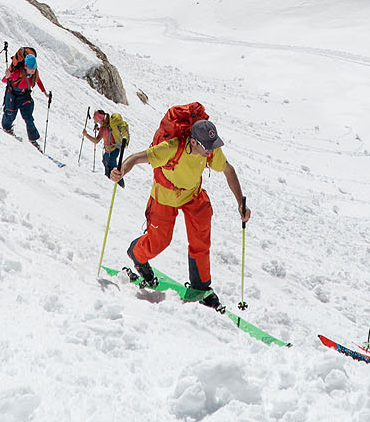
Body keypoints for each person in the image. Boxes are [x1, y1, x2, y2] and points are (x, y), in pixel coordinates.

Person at [112, 114, 249, 308]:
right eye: (207, 146)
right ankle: (137, 254)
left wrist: (240, 203)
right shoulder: (171, 148)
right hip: (165, 196)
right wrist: (121, 171)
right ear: (193, 141)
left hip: (192, 194)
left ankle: (201, 287)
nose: (210, 150)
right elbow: (136, 158)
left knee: (201, 231)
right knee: (159, 242)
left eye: (212, 145)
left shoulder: (209, 150)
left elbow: (228, 170)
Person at [1, 47, 47, 147]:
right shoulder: (18, 73)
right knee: (10, 114)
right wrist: (7, 76)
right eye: (31, 69)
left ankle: (33, 138)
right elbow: (4, 80)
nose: (33, 70)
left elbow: (38, 81)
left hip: (24, 96)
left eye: (34, 68)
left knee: (28, 118)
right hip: (13, 94)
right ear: (25, 66)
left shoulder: (35, 73)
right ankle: (6, 128)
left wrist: (45, 92)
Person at [83, 109, 127, 183]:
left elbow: (96, 140)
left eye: (94, 117)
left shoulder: (103, 128)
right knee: (107, 164)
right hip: (114, 149)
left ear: (98, 118)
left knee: (112, 170)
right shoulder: (107, 124)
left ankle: (118, 184)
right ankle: (114, 182)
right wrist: (98, 129)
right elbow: (107, 132)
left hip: (111, 152)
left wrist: (86, 135)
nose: (93, 118)